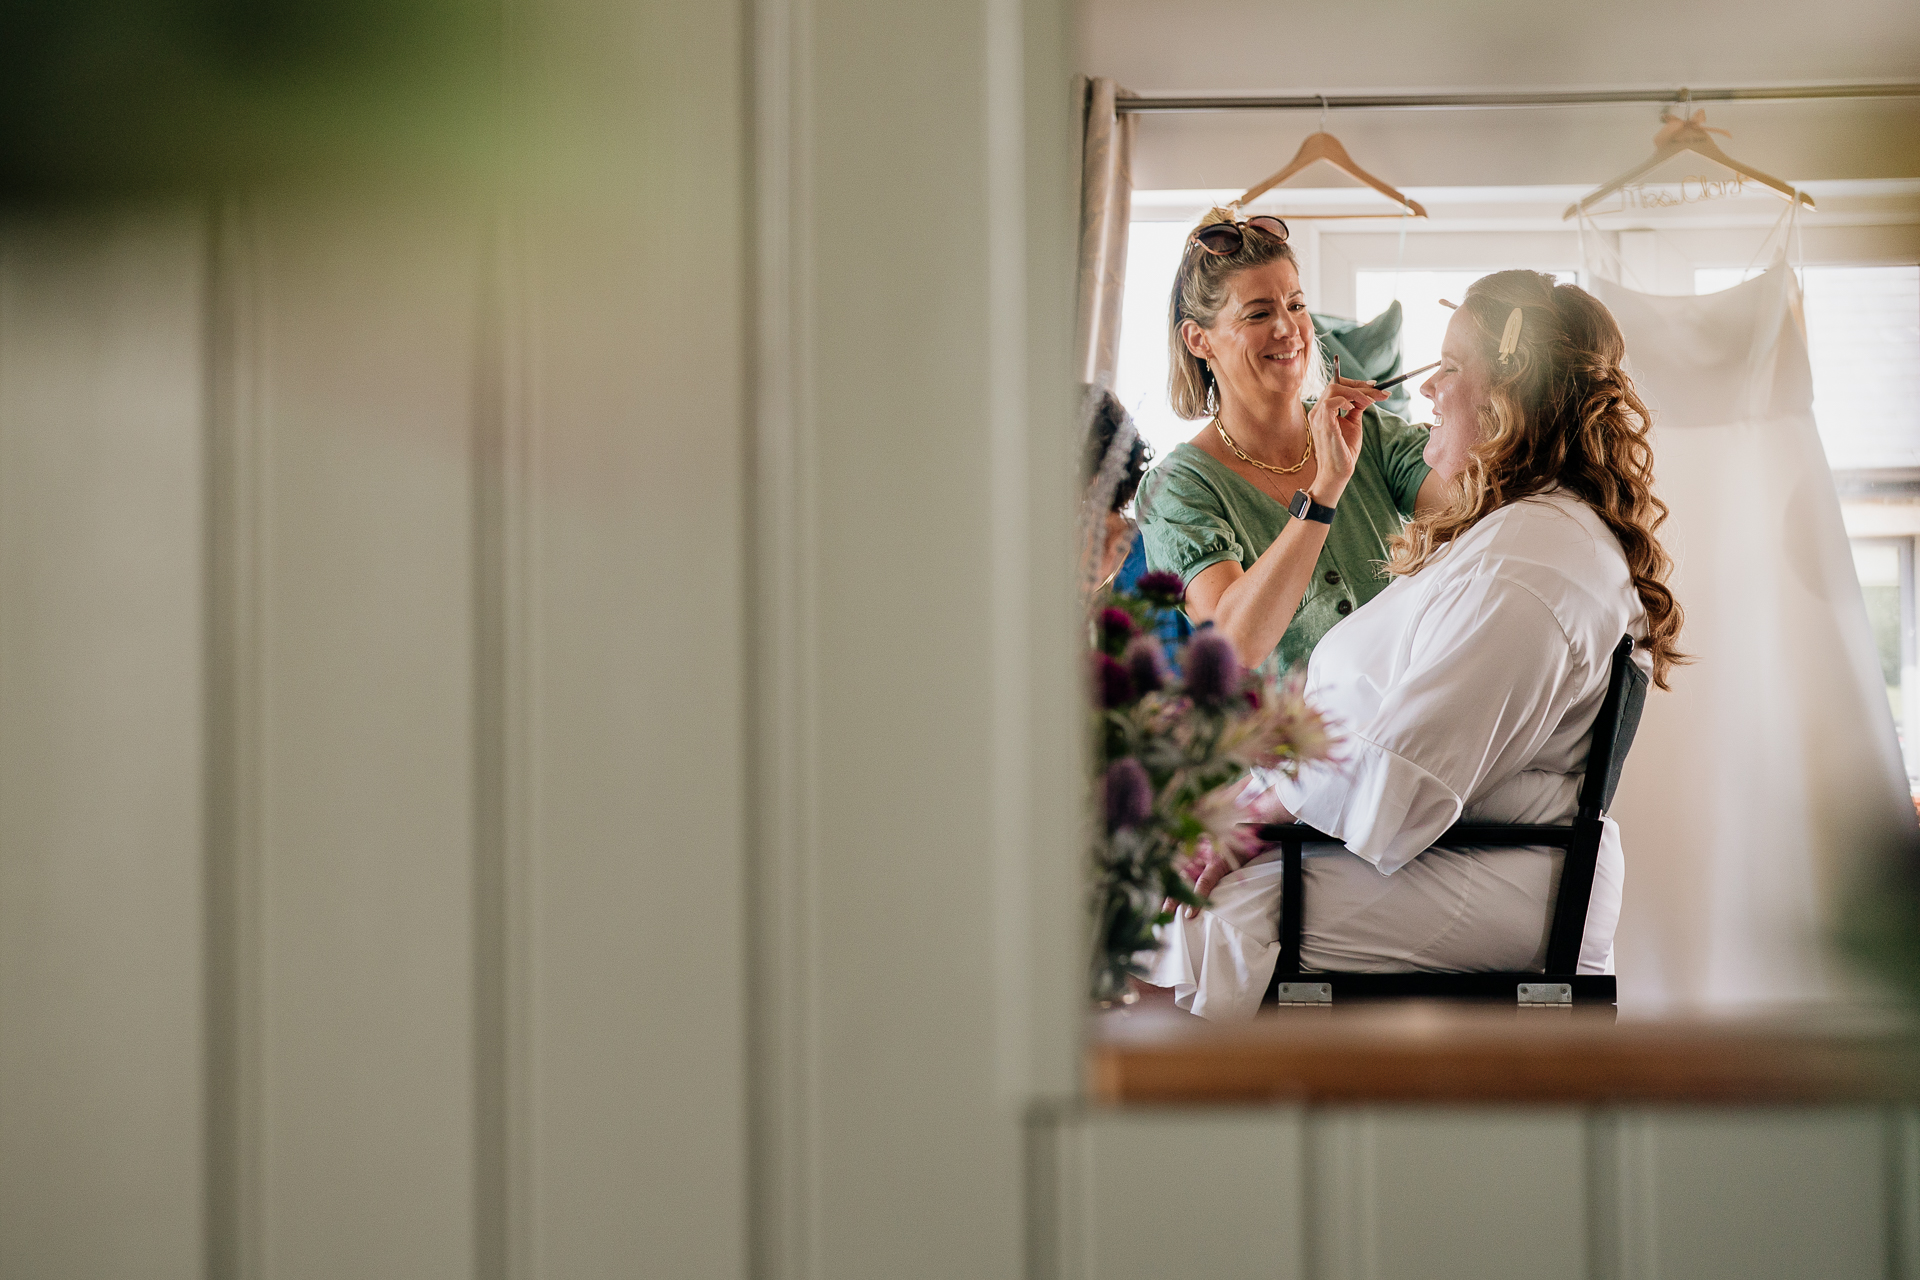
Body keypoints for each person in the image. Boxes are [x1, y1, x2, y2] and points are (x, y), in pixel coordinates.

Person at [1145, 269, 1686, 1019]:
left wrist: (1260, 813)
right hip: (1445, 850)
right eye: (1258, 311)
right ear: (1199, 342)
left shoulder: (1529, 563)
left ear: (1510, 397)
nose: (1427, 390)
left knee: (1155, 918)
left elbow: (1400, 785)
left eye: (1452, 370)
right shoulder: (1523, 534)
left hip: (1471, 871)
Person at [1137, 209, 1448, 677]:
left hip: (1402, 732)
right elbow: (1234, 647)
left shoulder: (1372, 431)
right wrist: (1324, 491)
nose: (1289, 329)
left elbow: (1474, 508)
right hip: (1285, 747)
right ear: (1198, 339)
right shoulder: (1176, 488)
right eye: (1259, 313)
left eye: (1296, 306)